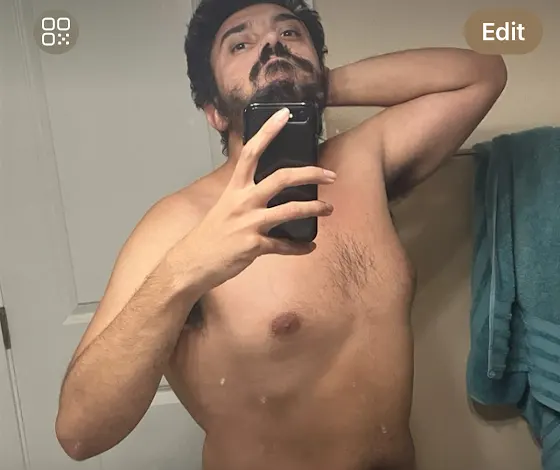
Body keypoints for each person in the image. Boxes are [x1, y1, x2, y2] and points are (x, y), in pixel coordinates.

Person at [55, 1, 507, 469]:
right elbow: (79, 432)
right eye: (240, 44)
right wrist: (185, 269)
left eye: (289, 34)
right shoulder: (181, 222)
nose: (272, 43)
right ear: (214, 111)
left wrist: (316, 85)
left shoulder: (363, 160)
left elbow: (483, 74)